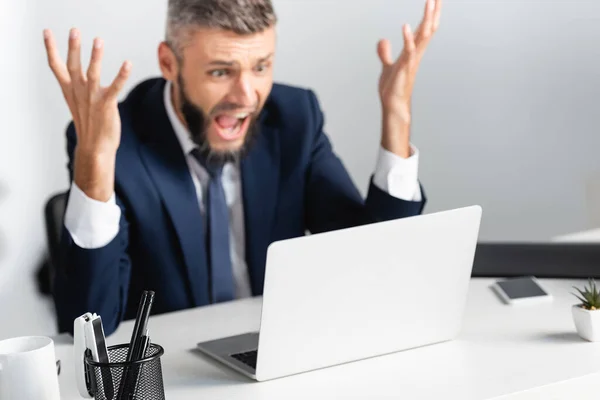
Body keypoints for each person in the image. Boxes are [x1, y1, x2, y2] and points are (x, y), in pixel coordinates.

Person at [43, 0, 441, 335]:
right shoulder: (116, 142)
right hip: (172, 377)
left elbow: (374, 264)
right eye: (221, 72)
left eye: (261, 67)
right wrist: (94, 164)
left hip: (279, 358)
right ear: (168, 63)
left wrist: (397, 116)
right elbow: (86, 323)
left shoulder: (293, 120)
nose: (247, 96)